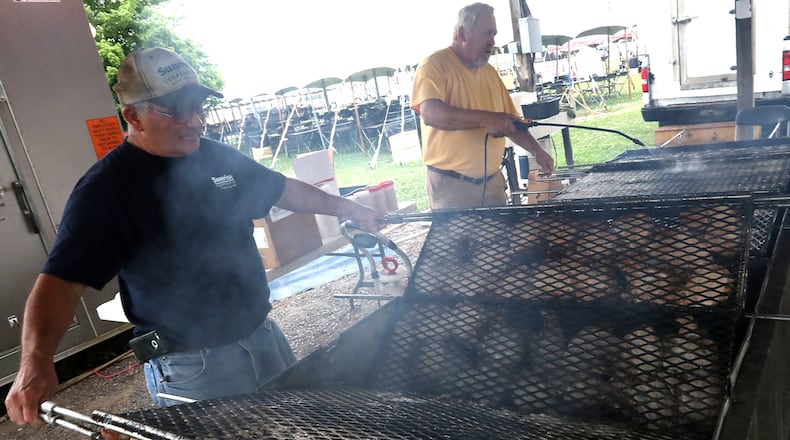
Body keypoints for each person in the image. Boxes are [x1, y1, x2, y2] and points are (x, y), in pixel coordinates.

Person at [4, 47, 384, 432]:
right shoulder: (107, 190)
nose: (195, 122)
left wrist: (351, 209)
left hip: (264, 337)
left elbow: (283, 189)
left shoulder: (217, 158)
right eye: (176, 112)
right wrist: (34, 363)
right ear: (133, 116)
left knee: (296, 429)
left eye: (198, 107)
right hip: (193, 366)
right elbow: (61, 281)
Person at [411, 2, 555, 209]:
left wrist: (537, 150)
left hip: (493, 184)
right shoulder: (434, 65)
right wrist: (485, 119)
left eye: (494, 35)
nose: (492, 42)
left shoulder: (490, 73)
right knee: (459, 242)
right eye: (486, 34)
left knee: (498, 242)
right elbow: (431, 114)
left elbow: (509, 122)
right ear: (462, 33)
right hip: (453, 187)